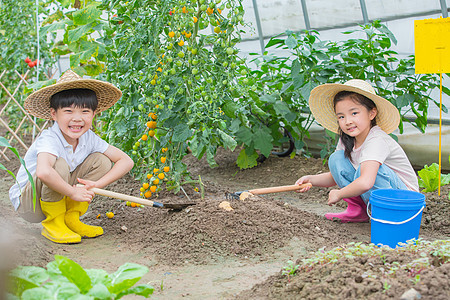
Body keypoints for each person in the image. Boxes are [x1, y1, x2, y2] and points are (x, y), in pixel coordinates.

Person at [9, 70, 134, 243]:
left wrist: (97, 185)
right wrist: (72, 192)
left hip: (60, 194)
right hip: (30, 204)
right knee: (57, 164)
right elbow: (44, 172)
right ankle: (54, 223)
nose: (77, 119)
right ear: (54, 114)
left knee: (101, 161)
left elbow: (126, 161)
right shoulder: (50, 139)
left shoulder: (89, 138)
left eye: (84, 111)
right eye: (68, 111)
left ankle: (71, 218)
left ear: (94, 113)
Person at [296, 79, 419, 223]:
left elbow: (366, 182)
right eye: (341, 116)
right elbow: (338, 174)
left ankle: (388, 215)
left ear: (372, 113)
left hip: (404, 201)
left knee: (367, 170)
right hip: (380, 194)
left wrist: (340, 194)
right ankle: (359, 210)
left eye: (354, 113)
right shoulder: (347, 139)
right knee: (337, 159)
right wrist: (311, 179)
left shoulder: (377, 140)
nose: (347, 121)